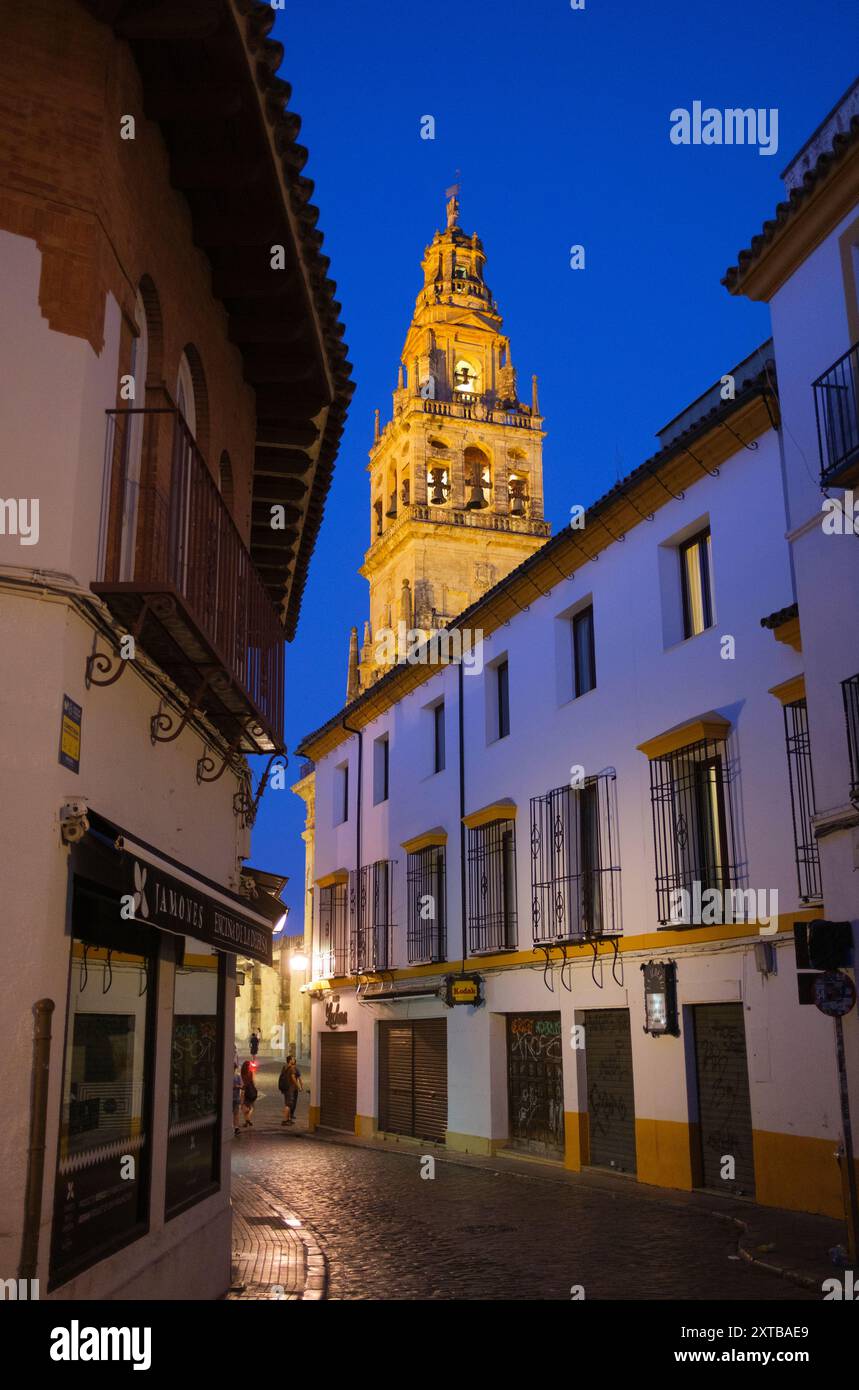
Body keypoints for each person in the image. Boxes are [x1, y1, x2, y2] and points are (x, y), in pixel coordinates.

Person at [280, 1053, 303, 1126]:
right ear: (290, 1061)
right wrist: (298, 1086)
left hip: (285, 1087)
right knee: (288, 1104)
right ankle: (285, 1120)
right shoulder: (292, 1068)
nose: (294, 1060)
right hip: (290, 1088)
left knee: (288, 1103)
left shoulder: (284, 1067)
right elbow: (293, 1078)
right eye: (293, 1059)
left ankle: (289, 1119)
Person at [240, 1059, 258, 1127]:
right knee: (251, 1107)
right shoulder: (251, 1072)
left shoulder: (242, 1073)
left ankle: (247, 1121)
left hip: (245, 1089)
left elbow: (242, 1081)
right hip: (251, 1089)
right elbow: (253, 1081)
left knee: (244, 1106)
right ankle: (248, 1120)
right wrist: (254, 1072)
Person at [232, 1064, 244, 1137]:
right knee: (234, 1113)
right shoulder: (227, 1076)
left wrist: (236, 1086)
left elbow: (242, 1086)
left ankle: (236, 1127)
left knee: (236, 1113)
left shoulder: (237, 1076)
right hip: (232, 1098)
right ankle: (233, 1127)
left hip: (235, 1098)